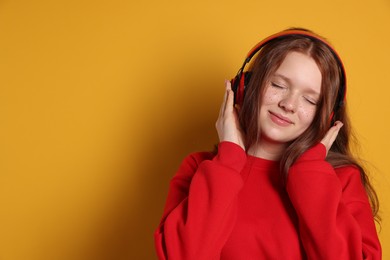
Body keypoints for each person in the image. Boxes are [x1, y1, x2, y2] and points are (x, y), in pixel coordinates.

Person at [154, 28, 382, 259]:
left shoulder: (342, 178)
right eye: (278, 85)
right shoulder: (200, 168)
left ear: (327, 116)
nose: (289, 104)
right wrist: (229, 159)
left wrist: (310, 173)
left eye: (310, 99)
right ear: (245, 86)